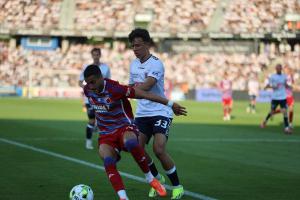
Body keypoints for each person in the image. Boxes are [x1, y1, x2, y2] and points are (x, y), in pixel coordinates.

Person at [83, 64, 187, 200]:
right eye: (88, 83)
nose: (90, 86)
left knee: (133, 143)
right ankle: (123, 197)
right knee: (107, 160)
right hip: (106, 135)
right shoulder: (87, 90)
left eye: (93, 82)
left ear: (101, 78)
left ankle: (151, 179)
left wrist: (171, 104)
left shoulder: (115, 89)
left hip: (124, 128)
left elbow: (144, 94)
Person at [128, 28, 184, 199]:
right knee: (136, 148)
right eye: (133, 46)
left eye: (138, 45)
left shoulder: (156, 64)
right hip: (142, 113)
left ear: (147, 44)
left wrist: (128, 91)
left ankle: (177, 186)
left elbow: (144, 88)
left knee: (158, 149)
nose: (135, 49)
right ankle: (156, 179)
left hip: (160, 111)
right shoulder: (133, 64)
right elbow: (131, 88)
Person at [79, 47, 111, 149]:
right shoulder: (86, 68)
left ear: (100, 55)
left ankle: (104, 141)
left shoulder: (105, 68)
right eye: (94, 55)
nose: (96, 56)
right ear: (92, 56)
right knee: (92, 120)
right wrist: (88, 88)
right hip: (90, 99)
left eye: (97, 54)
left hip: (102, 99)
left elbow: (108, 82)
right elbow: (80, 81)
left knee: (103, 120)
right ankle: (88, 142)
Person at [260, 64, 292, 134]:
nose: (278, 69)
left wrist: (289, 86)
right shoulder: (273, 76)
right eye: (277, 68)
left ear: (281, 69)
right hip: (275, 97)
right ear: (275, 69)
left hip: (283, 97)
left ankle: (286, 128)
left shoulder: (284, 76)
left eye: (280, 68)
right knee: (272, 111)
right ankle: (265, 121)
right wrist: (268, 87)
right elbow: (270, 84)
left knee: (285, 111)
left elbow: (285, 84)